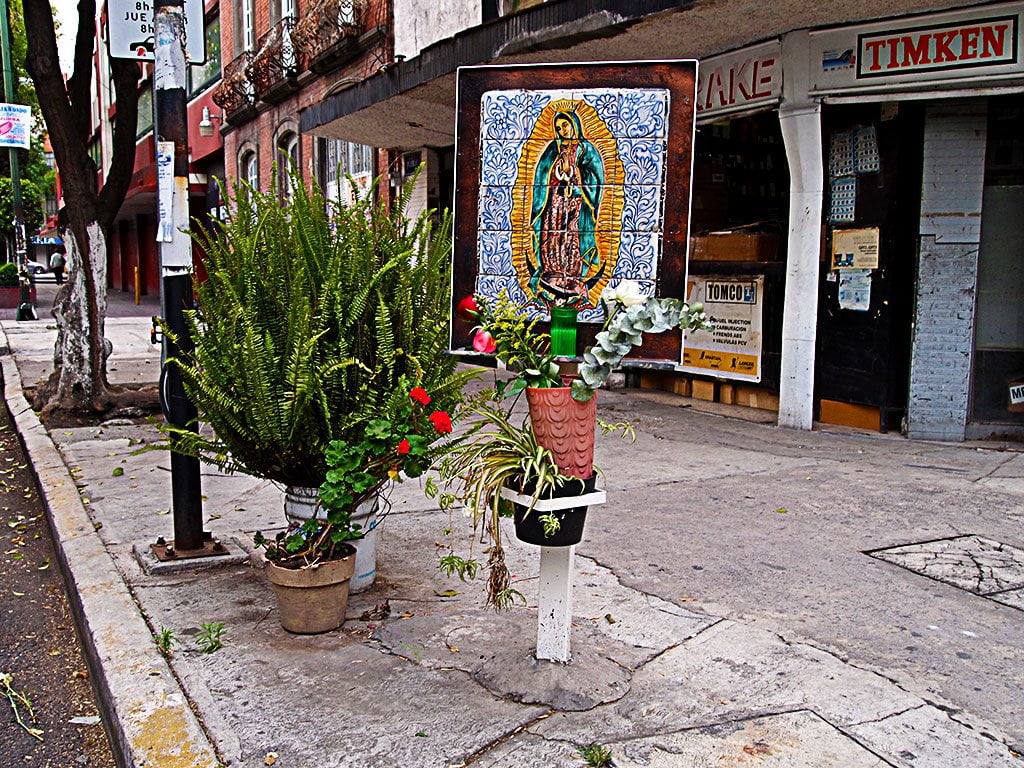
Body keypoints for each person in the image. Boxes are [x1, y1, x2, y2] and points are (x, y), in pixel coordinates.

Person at [527, 109, 606, 308]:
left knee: (572, 235)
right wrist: (556, 174)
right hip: (554, 201)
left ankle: (572, 273)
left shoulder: (586, 149)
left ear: (575, 125)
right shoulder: (552, 150)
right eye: (558, 127)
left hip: (577, 203)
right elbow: (541, 177)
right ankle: (552, 270)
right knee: (553, 235)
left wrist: (576, 173)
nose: (562, 130)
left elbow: (595, 178)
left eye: (565, 125)